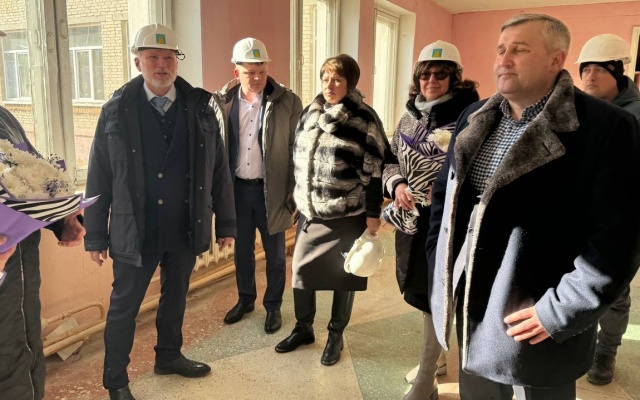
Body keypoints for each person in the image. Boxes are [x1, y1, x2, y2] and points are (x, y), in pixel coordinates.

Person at [427, 13, 640, 400]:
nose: (504, 60)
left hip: (538, 314)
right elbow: (444, 198)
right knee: (479, 394)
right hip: (471, 305)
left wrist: (560, 311)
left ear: (556, 59)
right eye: (500, 50)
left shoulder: (607, 126)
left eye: (519, 50)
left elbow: (618, 240)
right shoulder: (474, 117)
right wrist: (438, 266)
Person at [83, 24, 236, 400]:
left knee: (176, 296)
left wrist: (227, 223)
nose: (161, 65)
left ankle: (168, 356)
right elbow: (99, 175)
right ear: (138, 62)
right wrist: (95, 235)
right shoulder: (116, 109)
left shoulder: (200, 106)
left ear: (177, 61)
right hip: (135, 228)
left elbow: (218, 169)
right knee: (124, 307)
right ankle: (116, 380)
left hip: (185, 222)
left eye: (168, 57)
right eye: (152, 57)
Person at [274, 54, 388, 366]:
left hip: (348, 214)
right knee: (301, 273)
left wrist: (373, 215)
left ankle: (335, 334)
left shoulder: (365, 118)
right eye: (325, 78)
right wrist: (298, 199)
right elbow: (299, 160)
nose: (330, 85)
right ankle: (304, 328)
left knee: (344, 276)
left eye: (337, 79)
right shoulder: (311, 112)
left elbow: (375, 170)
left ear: (350, 83)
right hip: (311, 214)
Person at [382, 40, 479, 400]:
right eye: (425, 74)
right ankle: (436, 361)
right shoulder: (409, 115)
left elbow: (477, 171)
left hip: (449, 224)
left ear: (455, 78)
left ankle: (427, 378)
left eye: (440, 74)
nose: (431, 81)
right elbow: (390, 159)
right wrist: (397, 184)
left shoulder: (471, 116)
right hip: (412, 221)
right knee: (419, 289)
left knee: (437, 295)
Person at [212, 38, 302, 334]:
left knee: (275, 254)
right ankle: (246, 299)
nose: (257, 78)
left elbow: (297, 149)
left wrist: (293, 192)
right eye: (250, 72)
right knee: (242, 252)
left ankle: (273, 306)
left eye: (262, 71)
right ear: (236, 72)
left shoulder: (287, 101)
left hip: (272, 190)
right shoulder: (221, 102)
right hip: (237, 190)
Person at [0, 102, 86, 399]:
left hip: (21, 277)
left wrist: (64, 220)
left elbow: (35, 183)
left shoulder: (4, 118)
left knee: (25, 355)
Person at [576, 33, 640, 386]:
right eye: (586, 69)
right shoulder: (577, 111)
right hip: (580, 217)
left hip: (621, 221)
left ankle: (606, 351)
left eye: (600, 69)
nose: (590, 76)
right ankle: (578, 342)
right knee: (575, 283)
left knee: (614, 292)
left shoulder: (636, 116)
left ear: (618, 72)